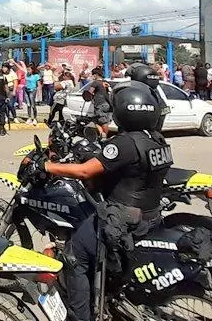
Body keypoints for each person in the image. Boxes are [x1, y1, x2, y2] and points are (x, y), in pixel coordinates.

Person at [23, 80, 173, 321]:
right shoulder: (157, 140)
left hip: (122, 218)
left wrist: (47, 165)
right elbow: (126, 167)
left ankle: (80, 316)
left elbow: (85, 172)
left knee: (75, 255)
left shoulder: (125, 143)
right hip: (150, 215)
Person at [82, 67, 112, 136]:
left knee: (103, 121)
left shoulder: (95, 82)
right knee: (95, 120)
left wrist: (86, 96)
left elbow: (89, 93)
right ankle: (102, 134)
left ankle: (105, 137)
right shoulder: (105, 82)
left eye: (93, 75)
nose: (92, 76)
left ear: (95, 75)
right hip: (107, 104)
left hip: (100, 104)